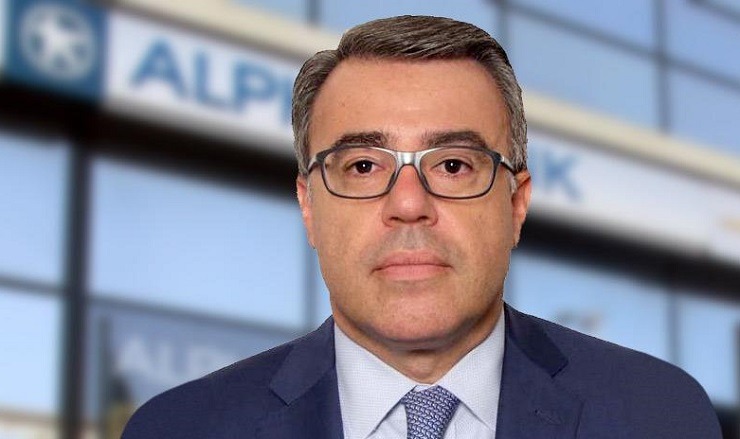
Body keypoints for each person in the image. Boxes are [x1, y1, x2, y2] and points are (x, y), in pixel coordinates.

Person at [122, 15, 721, 439]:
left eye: (453, 165)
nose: (408, 203)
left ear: (516, 203)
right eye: (363, 166)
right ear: (308, 206)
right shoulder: (177, 428)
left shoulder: (662, 416)